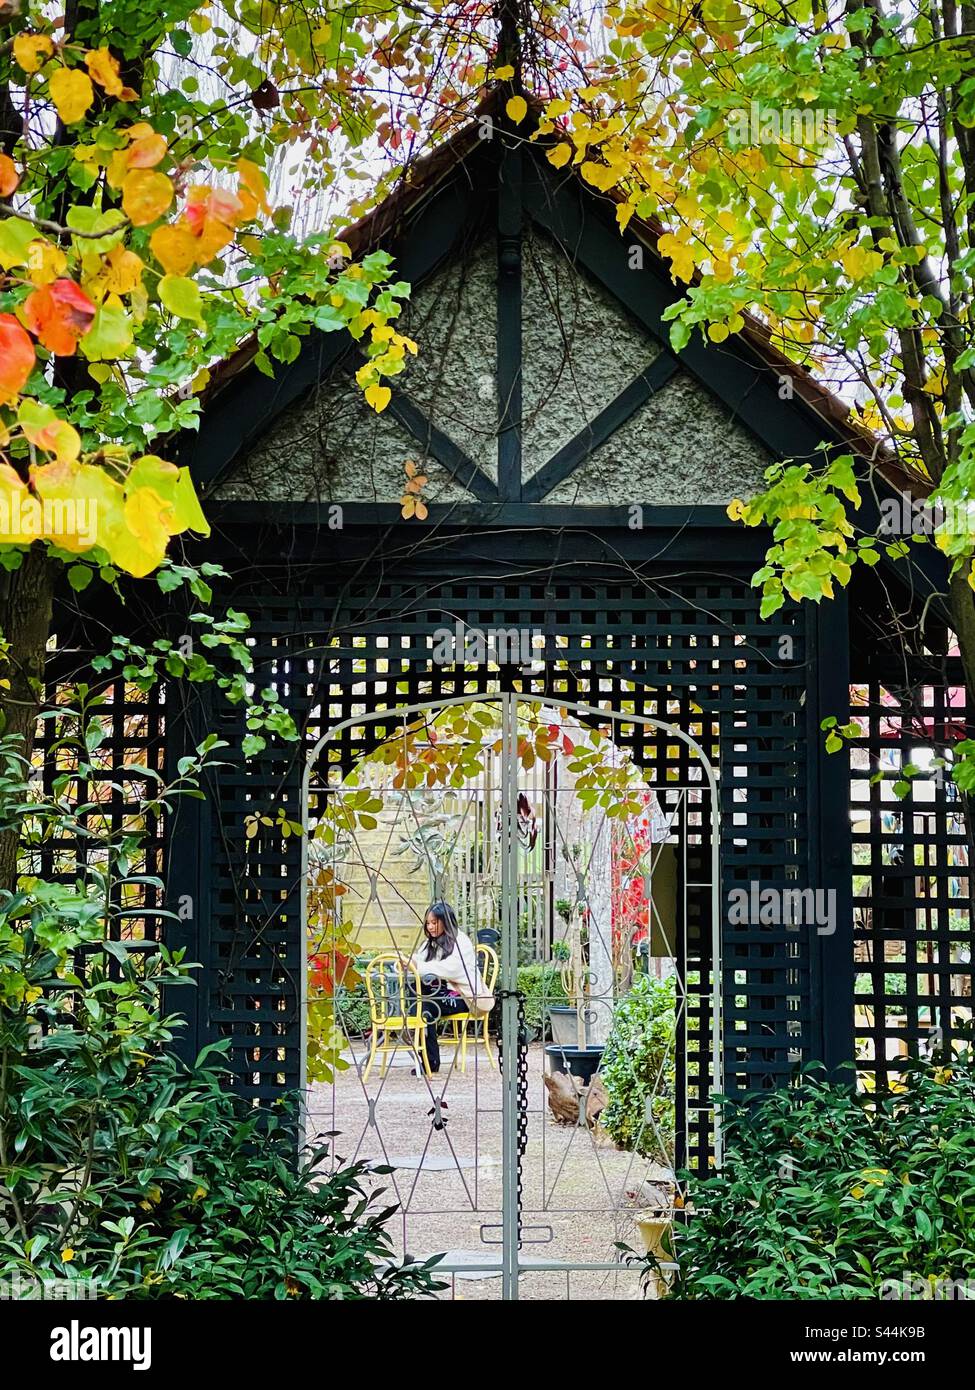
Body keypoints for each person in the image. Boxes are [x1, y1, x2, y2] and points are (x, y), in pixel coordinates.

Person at [409, 900, 494, 1074]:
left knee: (424, 1007)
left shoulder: (461, 941)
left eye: (434, 923)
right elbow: (419, 962)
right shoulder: (428, 944)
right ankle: (426, 1056)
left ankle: (429, 1060)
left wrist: (417, 965)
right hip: (439, 994)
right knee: (416, 998)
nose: (430, 927)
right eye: (428, 923)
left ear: (446, 922)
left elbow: (451, 969)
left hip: (463, 996)